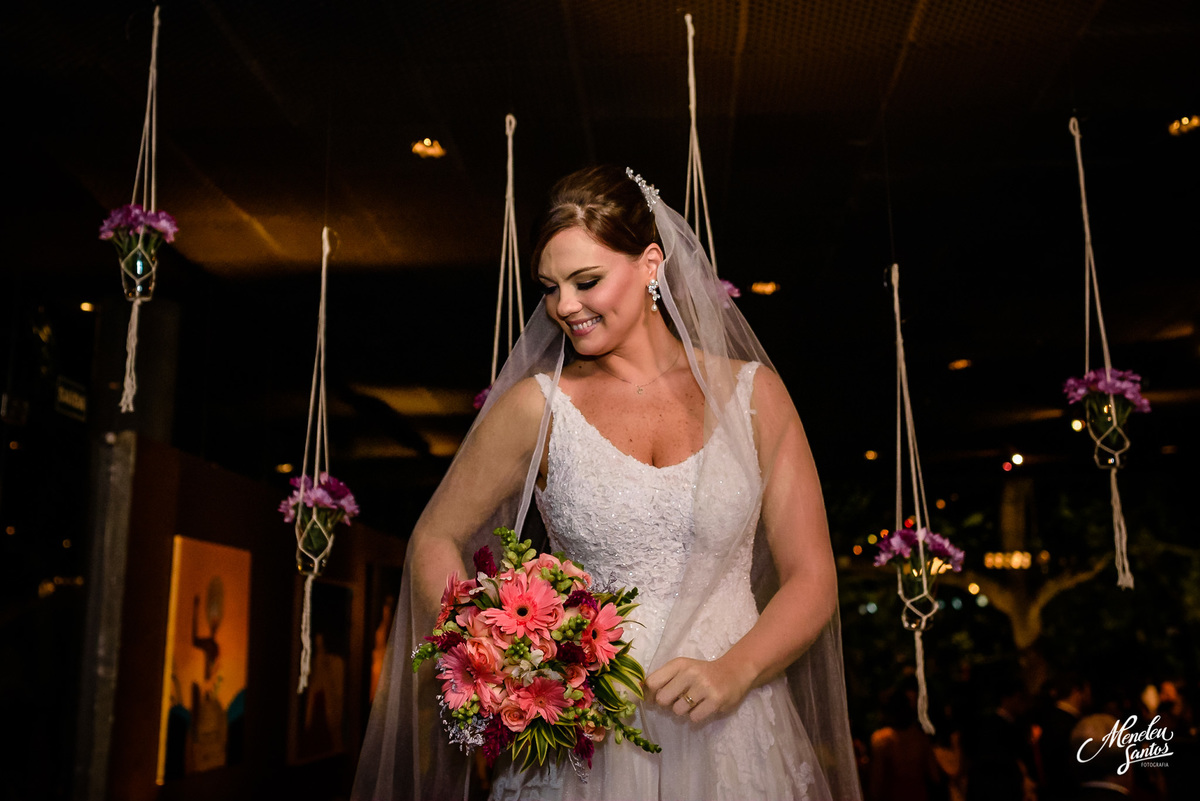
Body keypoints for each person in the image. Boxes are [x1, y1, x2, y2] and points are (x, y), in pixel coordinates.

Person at [352, 165, 861, 800]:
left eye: (585, 280)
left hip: (733, 726)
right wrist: (492, 655)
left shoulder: (754, 395)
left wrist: (738, 670)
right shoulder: (535, 409)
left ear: (651, 264)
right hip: (586, 743)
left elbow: (812, 577)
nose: (565, 305)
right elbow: (434, 536)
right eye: (549, 288)